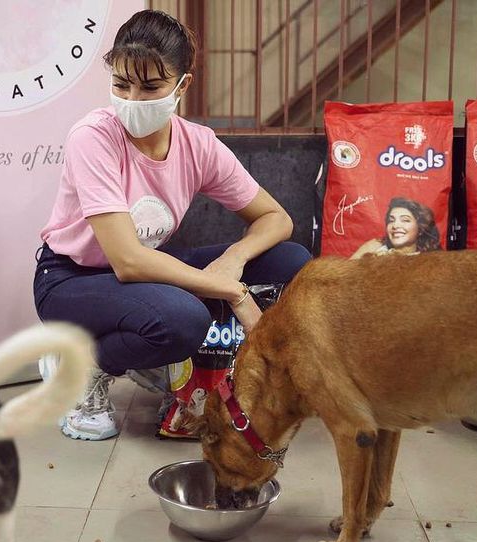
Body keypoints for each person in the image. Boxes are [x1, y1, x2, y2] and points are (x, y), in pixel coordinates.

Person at [33, 10, 311, 441]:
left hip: (148, 271)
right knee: (182, 318)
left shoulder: (197, 145)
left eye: (151, 87)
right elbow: (126, 261)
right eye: (121, 85)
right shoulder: (93, 137)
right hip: (72, 280)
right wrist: (230, 289)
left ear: (182, 86)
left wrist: (234, 260)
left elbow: (277, 219)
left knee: (288, 260)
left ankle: (197, 374)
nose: (133, 99)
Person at [350, 197, 442, 259]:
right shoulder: (375, 246)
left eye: (405, 220)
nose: (395, 225)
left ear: (420, 228)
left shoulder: (429, 258)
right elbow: (345, 277)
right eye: (391, 220)